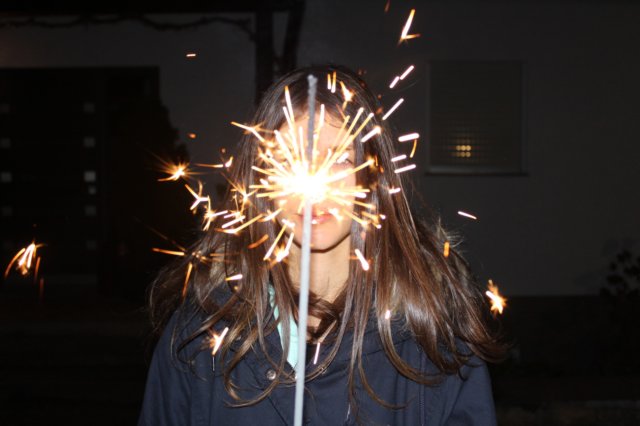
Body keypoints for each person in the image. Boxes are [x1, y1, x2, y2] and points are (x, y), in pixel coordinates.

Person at [139, 65, 504, 425]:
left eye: (340, 159)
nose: (315, 185)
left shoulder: (431, 333)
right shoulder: (203, 330)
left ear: (372, 177)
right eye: (289, 159)